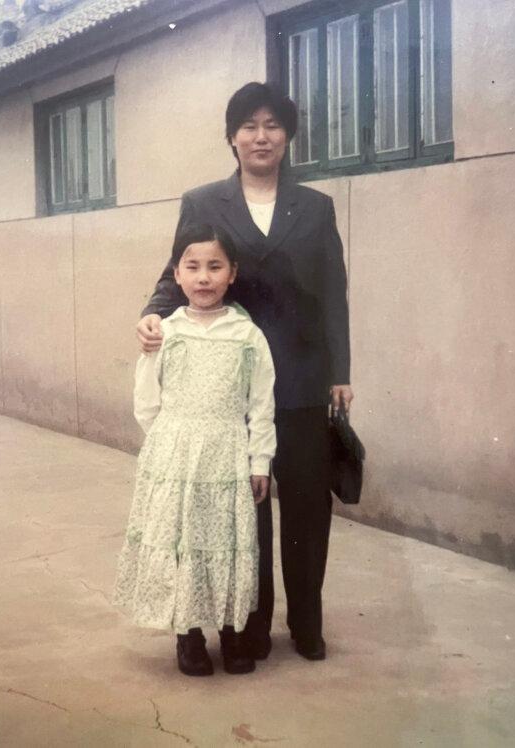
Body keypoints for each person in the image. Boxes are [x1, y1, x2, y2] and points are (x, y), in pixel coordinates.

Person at [137, 82, 353, 661]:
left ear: (287, 137)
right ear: (231, 137)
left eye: (273, 126)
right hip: (230, 381)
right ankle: (249, 627)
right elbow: (173, 275)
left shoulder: (315, 206)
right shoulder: (204, 201)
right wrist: (152, 317)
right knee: (244, 513)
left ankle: (306, 623)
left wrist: (341, 370)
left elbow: (335, 292)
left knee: (307, 506)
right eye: (249, 126)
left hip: (304, 380)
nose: (262, 136)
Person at [114, 223, 276, 677]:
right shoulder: (165, 332)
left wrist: (259, 459)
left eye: (214, 267)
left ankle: (231, 631)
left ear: (232, 274)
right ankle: (188, 636)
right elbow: (147, 399)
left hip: (227, 453)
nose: (204, 277)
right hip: (176, 454)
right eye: (193, 267)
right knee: (184, 541)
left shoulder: (247, 336)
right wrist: (169, 442)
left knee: (223, 542)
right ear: (177, 276)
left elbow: (261, 404)